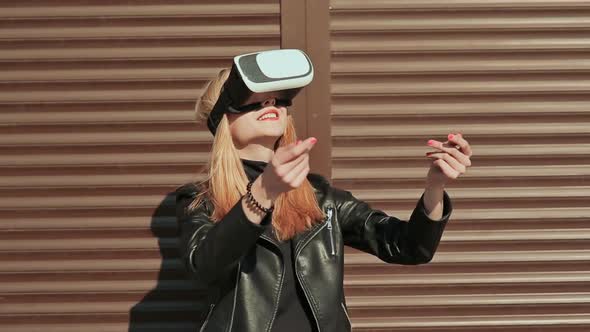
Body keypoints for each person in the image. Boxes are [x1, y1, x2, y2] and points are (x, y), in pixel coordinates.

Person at [176, 62, 473, 332]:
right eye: (250, 96)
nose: (269, 101)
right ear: (222, 119)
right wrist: (263, 193)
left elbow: (409, 247)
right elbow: (204, 266)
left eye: (276, 96)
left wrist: (435, 187)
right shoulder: (200, 199)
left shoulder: (322, 197)